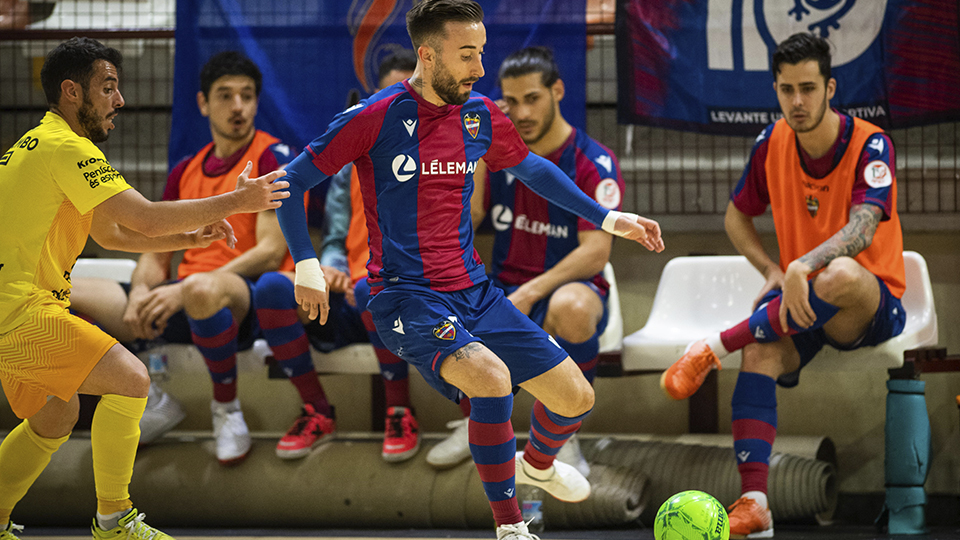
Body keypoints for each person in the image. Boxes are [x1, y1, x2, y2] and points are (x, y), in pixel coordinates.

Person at [274, 2, 663, 538]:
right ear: (428, 55)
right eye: (466, 55)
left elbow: (531, 168)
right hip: (404, 296)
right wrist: (307, 262)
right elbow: (289, 183)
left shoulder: (479, 114)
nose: (480, 68)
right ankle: (511, 526)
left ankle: (537, 466)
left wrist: (609, 218)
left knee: (576, 398)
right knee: (492, 380)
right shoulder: (375, 115)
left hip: (475, 292)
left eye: (481, 53)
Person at [0, 37, 287, 539]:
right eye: (108, 87)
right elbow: (146, 218)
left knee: (56, 416)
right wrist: (235, 202)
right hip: (21, 312)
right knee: (131, 379)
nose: (120, 100)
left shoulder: (40, 143)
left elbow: (112, 233)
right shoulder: (66, 147)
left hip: (21, 310)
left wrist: (190, 237)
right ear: (72, 91)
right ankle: (114, 521)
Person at [660, 33, 904, 538]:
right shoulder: (770, 142)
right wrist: (773, 269)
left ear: (830, 88)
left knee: (838, 274)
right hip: (800, 300)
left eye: (808, 88)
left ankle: (713, 347)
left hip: (868, 299)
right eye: (787, 89)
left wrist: (801, 265)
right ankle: (755, 504)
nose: (797, 101)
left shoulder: (871, 143)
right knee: (759, 353)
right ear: (775, 88)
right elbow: (736, 216)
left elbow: (862, 230)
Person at [69, 50, 305, 466]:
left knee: (199, 289)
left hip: (242, 296)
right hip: (181, 294)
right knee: (63, 291)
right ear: (203, 103)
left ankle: (226, 411)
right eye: (225, 95)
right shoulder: (185, 169)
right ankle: (148, 398)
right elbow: (155, 247)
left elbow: (270, 253)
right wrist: (141, 291)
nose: (237, 106)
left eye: (247, 96)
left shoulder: (273, 157)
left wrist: (182, 291)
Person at [428, 46, 626, 475]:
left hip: (565, 287)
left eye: (532, 99)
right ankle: (473, 423)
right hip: (504, 284)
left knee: (572, 308)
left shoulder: (592, 161)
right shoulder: (500, 155)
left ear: (558, 91)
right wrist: (477, 148)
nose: (522, 113)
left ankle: (562, 438)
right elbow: (469, 216)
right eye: (512, 102)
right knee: (445, 304)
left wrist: (531, 292)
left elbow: (595, 252)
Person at [314, 49, 422, 463]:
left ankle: (400, 412)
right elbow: (334, 236)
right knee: (279, 292)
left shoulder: (440, 156)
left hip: (410, 295)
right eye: (390, 95)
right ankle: (315, 412)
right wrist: (332, 267)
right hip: (354, 292)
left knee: (371, 290)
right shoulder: (351, 159)